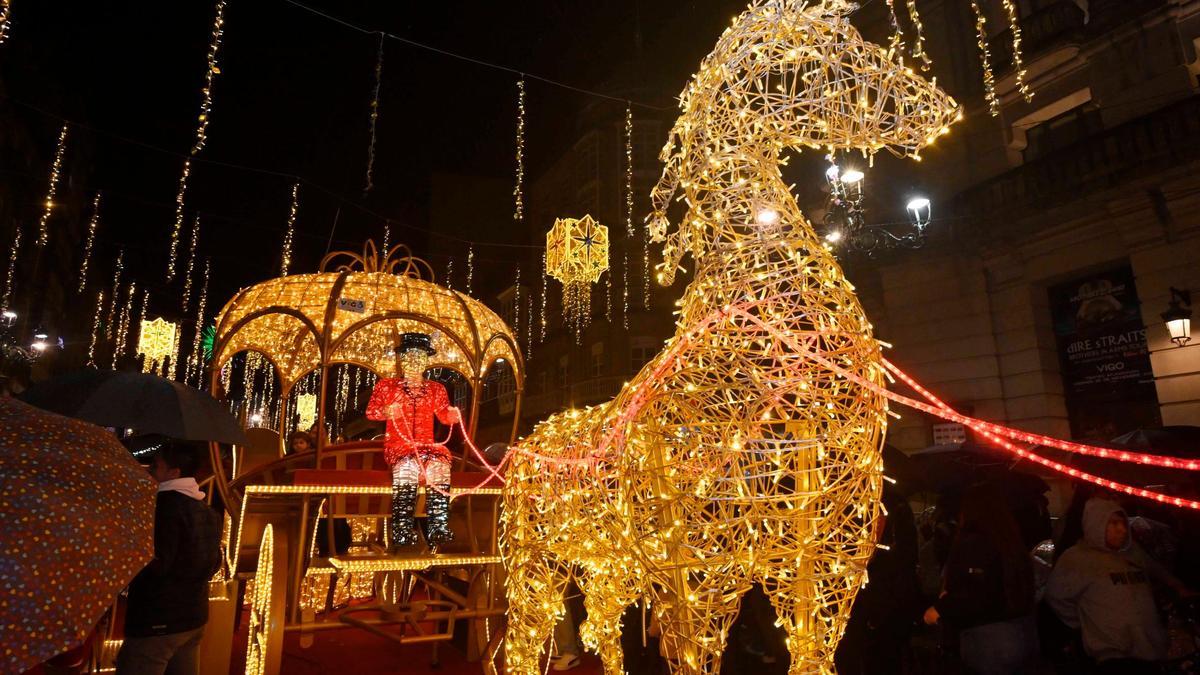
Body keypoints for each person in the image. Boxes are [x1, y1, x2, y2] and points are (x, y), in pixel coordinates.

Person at [1045, 497, 1186, 674]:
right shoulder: (1078, 558)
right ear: (1097, 524)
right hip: (1112, 655)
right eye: (1113, 523)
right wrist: (1084, 621)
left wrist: (1178, 586)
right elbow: (1056, 596)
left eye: (1123, 524)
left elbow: (1156, 570)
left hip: (1148, 649)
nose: (1122, 530)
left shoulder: (1133, 553)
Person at [117, 443, 222, 675]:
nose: (149, 470)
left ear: (174, 472)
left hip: (158, 619)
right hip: (193, 617)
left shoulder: (161, 508)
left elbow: (156, 563)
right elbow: (215, 562)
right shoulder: (205, 509)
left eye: (155, 466)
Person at [923, 484, 1039, 675]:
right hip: (1023, 633)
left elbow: (972, 592)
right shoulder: (1011, 542)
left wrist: (941, 609)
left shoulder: (974, 542)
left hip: (989, 641)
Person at [366, 332, 462, 551]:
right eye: (411, 355)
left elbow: (443, 415)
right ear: (403, 359)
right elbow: (371, 412)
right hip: (399, 446)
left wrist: (452, 415)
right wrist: (387, 411)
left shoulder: (436, 389)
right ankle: (402, 528)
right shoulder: (387, 386)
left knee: (440, 467)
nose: (415, 360)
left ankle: (438, 525)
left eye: (420, 356)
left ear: (426, 360)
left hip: (427, 446)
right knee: (407, 470)